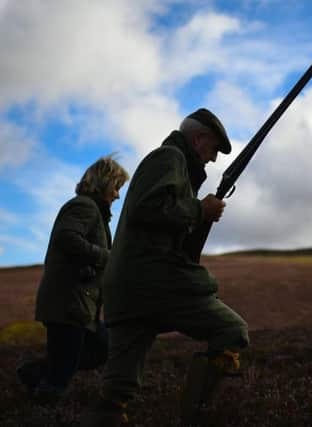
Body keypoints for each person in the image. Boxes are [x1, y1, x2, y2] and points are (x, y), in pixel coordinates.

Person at [81, 108, 249, 426]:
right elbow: (151, 208)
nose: (212, 159)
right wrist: (200, 211)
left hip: (126, 289)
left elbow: (159, 221)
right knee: (231, 330)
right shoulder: (169, 158)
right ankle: (198, 416)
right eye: (213, 148)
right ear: (198, 138)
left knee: (116, 392)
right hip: (152, 281)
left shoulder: (170, 164)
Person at [17, 155, 129, 403]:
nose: (118, 195)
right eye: (116, 186)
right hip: (68, 304)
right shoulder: (84, 206)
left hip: (80, 307)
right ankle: (41, 407)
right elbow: (66, 238)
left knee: (100, 348)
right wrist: (106, 257)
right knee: (61, 376)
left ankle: (32, 374)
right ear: (103, 182)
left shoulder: (95, 212)